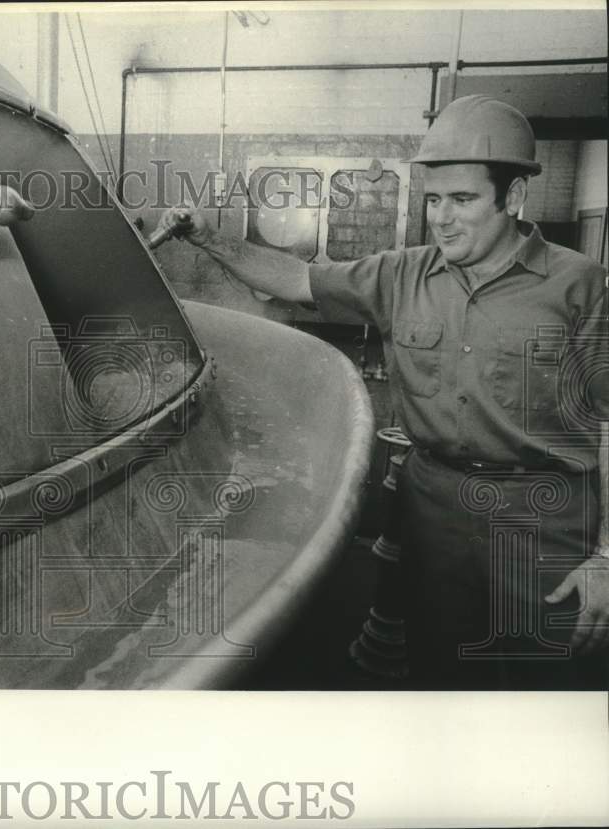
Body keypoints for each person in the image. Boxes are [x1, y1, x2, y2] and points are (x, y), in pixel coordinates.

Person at [155, 94, 608, 689]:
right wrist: (209, 238)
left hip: (545, 522)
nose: (442, 218)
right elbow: (295, 279)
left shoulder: (580, 286)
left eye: (464, 200)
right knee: (438, 677)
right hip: (433, 512)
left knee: (549, 685)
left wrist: (604, 558)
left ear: (514, 198)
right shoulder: (402, 275)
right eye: (435, 200)